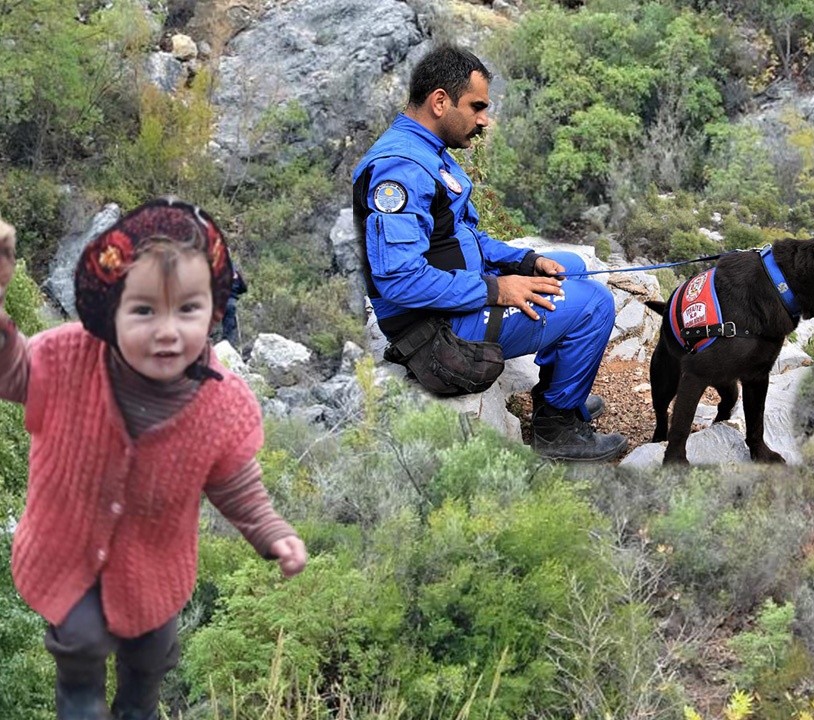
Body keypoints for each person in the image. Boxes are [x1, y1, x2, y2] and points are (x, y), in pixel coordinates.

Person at [0, 200, 307, 720]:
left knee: (150, 656)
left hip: (153, 571)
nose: (167, 330)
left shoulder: (223, 404)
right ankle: (79, 701)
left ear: (212, 312)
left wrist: (270, 531)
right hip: (66, 552)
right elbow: (14, 374)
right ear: (109, 312)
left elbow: (234, 484)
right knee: (81, 639)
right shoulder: (70, 357)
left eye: (186, 309)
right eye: (144, 310)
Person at [351, 44, 626, 462]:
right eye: (476, 106)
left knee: (571, 268)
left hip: (453, 301)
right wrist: (495, 289)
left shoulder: (429, 152)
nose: (484, 120)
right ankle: (556, 429)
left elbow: (464, 236)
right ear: (440, 101)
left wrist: (525, 262)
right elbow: (400, 278)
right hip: (435, 328)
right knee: (594, 305)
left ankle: (558, 395)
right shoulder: (400, 169)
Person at [220, 259, 247, 348]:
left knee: (225, 324)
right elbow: (244, 288)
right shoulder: (236, 274)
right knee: (230, 327)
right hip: (231, 302)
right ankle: (229, 347)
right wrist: (235, 292)